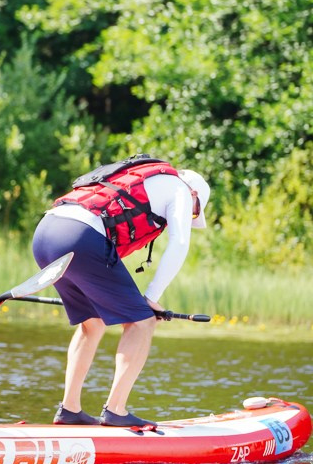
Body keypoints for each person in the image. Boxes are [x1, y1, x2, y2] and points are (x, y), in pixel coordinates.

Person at [32, 158, 211, 427]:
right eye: (196, 212)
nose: (191, 216)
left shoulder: (142, 180)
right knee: (142, 322)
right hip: (80, 237)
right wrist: (151, 298)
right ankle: (116, 410)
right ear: (194, 194)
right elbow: (180, 243)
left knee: (92, 324)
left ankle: (70, 409)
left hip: (46, 232)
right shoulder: (181, 190)